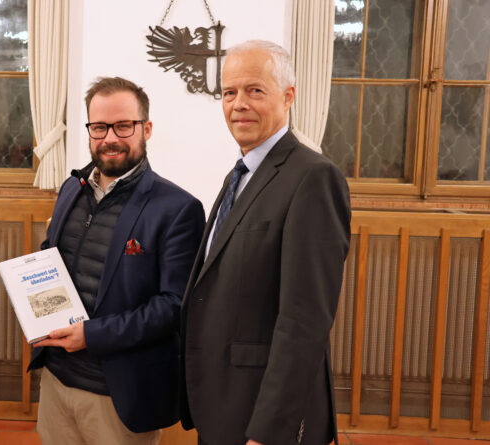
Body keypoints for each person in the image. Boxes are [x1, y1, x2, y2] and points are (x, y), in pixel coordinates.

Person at [179, 40, 351, 445]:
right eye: (229, 92)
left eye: (255, 90)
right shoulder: (242, 172)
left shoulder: (313, 178)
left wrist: (268, 433)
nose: (239, 104)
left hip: (263, 418)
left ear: (288, 97)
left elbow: (303, 322)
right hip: (224, 402)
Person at [29, 76, 205, 445]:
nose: (110, 137)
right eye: (99, 126)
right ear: (89, 129)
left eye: (124, 126)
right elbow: (51, 264)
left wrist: (90, 336)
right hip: (56, 379)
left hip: (119, 394)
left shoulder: (177, 208)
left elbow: (173, 307)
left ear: (146, 128)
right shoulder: (70, 189)